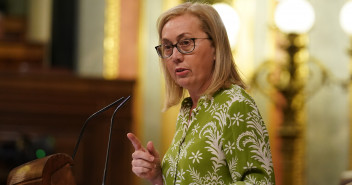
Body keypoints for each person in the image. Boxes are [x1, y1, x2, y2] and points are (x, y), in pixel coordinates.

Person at [127, 2, 275, 185]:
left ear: (215, 48)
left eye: (186, 43)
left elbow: (260, 182)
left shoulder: (235, 103)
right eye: (167, 47)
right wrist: (158, 176)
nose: (175, 56)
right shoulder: (188, 110)